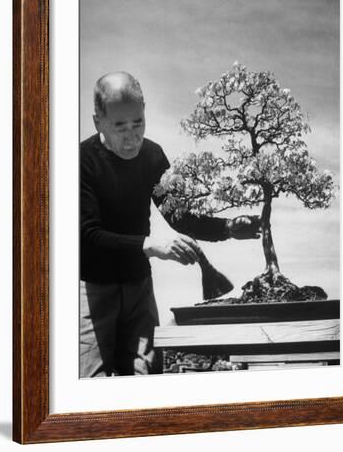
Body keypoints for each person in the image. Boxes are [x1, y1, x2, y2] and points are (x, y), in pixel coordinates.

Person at [80, 71, 261, 378]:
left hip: (139, 289)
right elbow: (88, 235)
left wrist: (227, 227)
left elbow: (180, 216)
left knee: (146, 377)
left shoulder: (152, 156)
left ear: (145, 111)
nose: (131, 136)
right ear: (98, 121)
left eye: (138, 123)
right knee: (91, 384)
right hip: (93, 290)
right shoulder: (82, 160)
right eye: (119, 126)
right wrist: (151, 246)